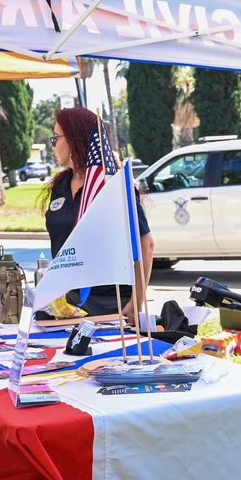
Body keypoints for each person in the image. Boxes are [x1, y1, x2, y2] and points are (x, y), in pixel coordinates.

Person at [39, 107, 154, 324]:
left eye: (55, 138)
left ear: (74, 139)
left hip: (110, 305)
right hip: (64, 304)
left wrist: (136, 301)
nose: (52, 145)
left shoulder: (113, 185)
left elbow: (145, 244)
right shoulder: (59, 187)